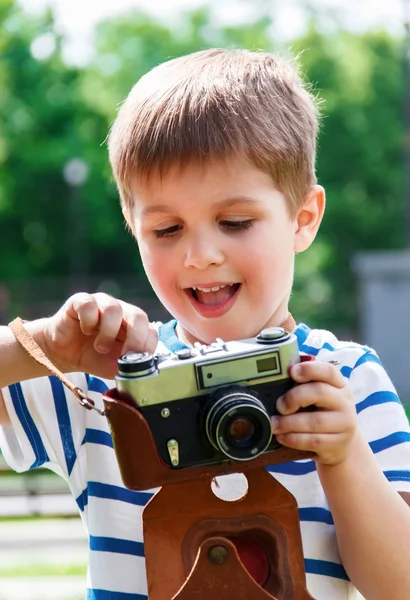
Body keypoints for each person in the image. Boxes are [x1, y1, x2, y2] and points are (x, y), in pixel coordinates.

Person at [1, 48, 410, 600]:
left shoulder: (345, 380)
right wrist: (45, 347)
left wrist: (344, 457)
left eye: (234, 221)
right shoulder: (104, 385)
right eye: (166, 230)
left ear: (303, 218)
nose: (200, 255)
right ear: (133, 227)